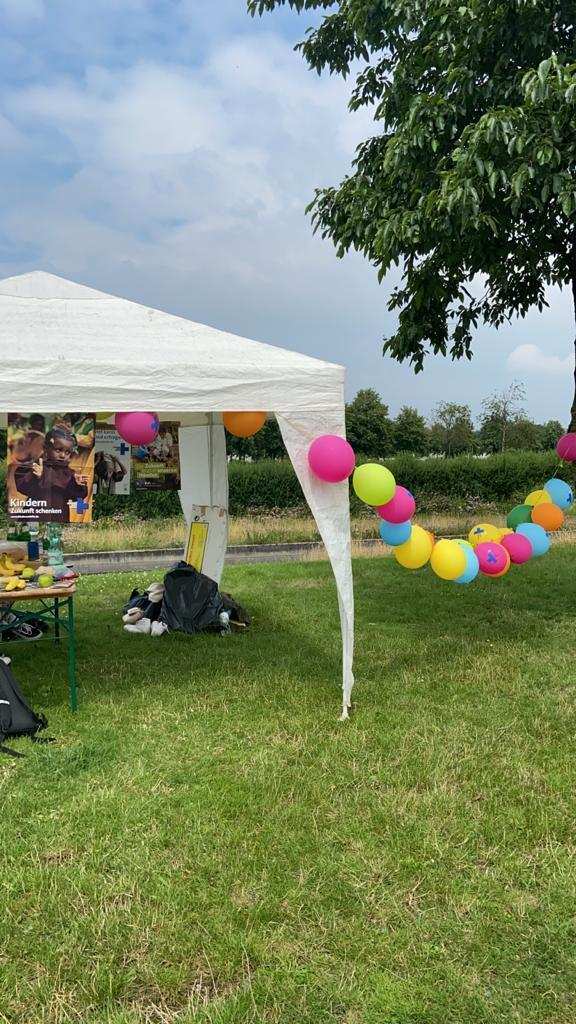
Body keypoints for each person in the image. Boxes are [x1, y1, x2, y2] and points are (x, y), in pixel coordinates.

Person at [14, 427, 88, 524]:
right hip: (36, 515)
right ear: (45, 448)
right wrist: (35, 476)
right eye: (58, 450)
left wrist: (78, 485)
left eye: (67, 452)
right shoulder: (37, 465)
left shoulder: (68, 472)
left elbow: (76, 496)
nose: (63, 455)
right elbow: (21, 485)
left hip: (59, 516)